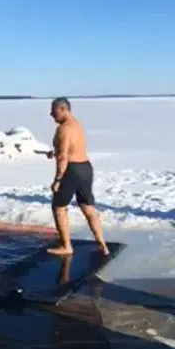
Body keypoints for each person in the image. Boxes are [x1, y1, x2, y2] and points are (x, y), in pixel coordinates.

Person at [46, 97, 110, 256]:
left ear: (63, 109)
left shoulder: (64, 129)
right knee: (87, 206)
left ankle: (66, 246)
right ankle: (102, 243)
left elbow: (63, 159)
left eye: (54, 111)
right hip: (85, 168)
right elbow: (70, 148)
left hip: (71, 170)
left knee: (58, 207)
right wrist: (56, 152)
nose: (51, 115)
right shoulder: (77, 124)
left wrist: (58, 180)